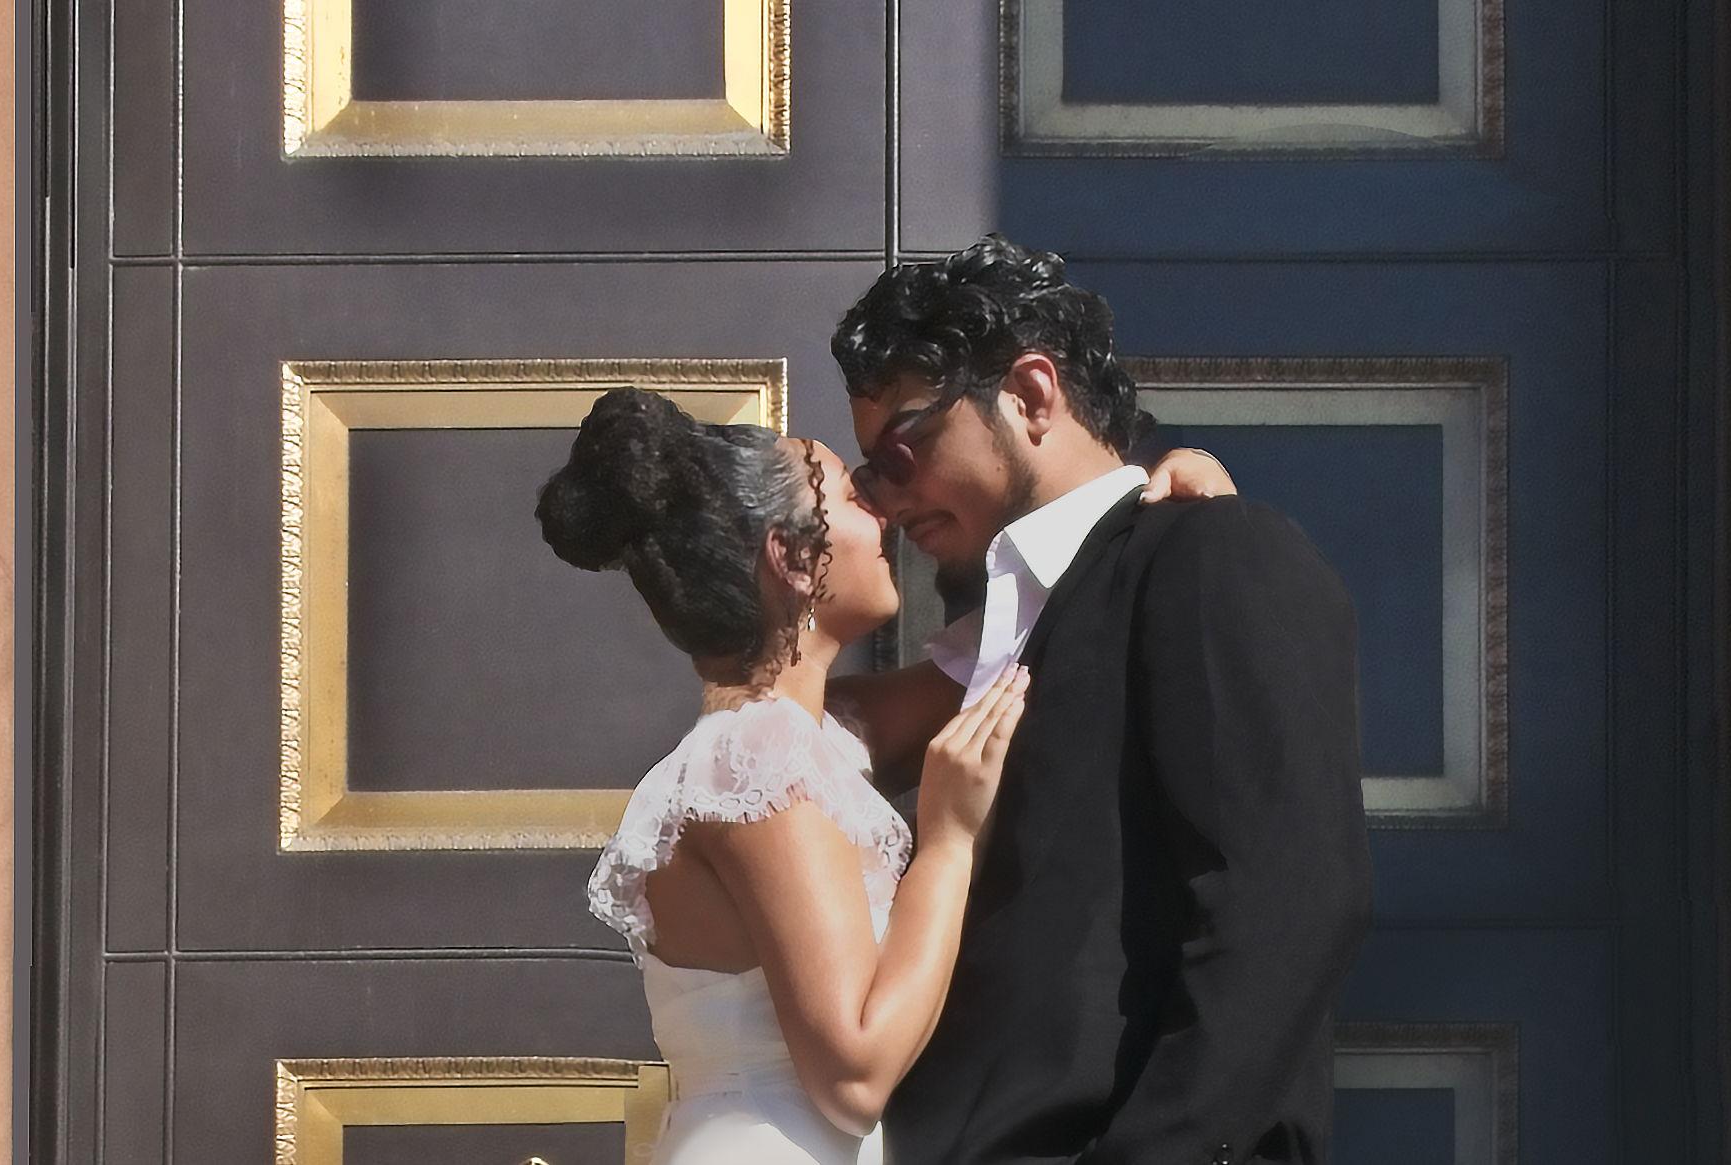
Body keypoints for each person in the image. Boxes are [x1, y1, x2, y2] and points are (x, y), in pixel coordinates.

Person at [533, 387, 1237, 1164]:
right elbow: (854, 1075)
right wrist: (948, 841)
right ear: (791, 558)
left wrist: (1159, 516)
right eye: (850, 495)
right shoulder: (756, 760)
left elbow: (1017, 654)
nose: (883, 513)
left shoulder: (813, 735)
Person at [825, 235, 1375, 1165]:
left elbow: (1285, 906)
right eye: (868, 472)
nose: (885, 498)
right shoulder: (993, 641)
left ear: (1031, 394)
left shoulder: (1209, 553)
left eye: (903, 447)